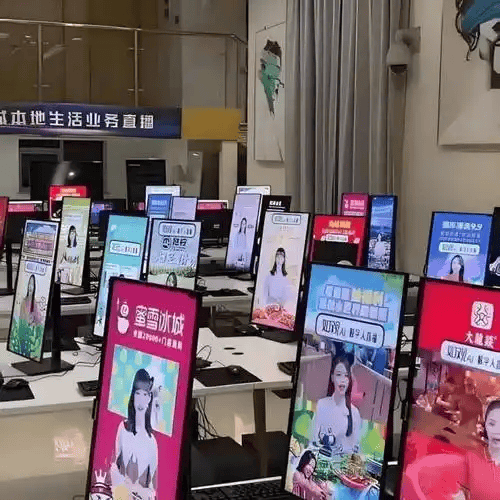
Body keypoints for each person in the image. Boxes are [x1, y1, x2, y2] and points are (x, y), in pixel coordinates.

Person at [402, 400, 500, 499]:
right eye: (492, 424)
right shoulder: (472, 459)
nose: (497, 431)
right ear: (485, 425)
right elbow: (415, 474)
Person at [111, 369, 158, 497]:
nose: (141, 399)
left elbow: (152, 489)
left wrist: (138, 491)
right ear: (133, 395)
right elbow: (114, 467)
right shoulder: (123, 428)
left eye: (145, 394)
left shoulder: (151, 442)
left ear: (149, 398)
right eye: (138, 393)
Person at [313, 355, 362, 455]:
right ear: (332, 377)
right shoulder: (322, 404)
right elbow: (313, 439)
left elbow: (354, 449)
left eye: (346, 376)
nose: (342, 379)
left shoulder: (354, 413)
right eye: (338, 375)